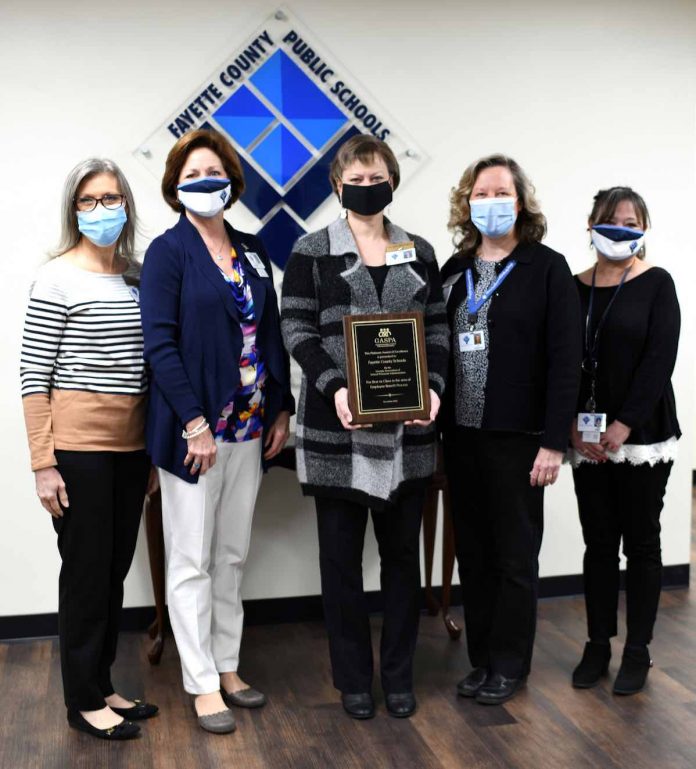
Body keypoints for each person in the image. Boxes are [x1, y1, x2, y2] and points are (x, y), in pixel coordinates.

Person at [281, 135, 449, 720]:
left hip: (409, 438)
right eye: (353, 176)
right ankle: (353, 680)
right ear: (337, 184)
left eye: (374, 174)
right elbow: (297, 332)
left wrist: (433, 387)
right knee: (341, 565)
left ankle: (399, 677)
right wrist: (338, 387)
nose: (364, 183)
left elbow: (437, 332)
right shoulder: (310, 251)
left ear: (392, 180)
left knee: (403, 563)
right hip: (337, 433)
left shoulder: (420, 251)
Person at [139, 128, 293, 734]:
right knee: (190, 558)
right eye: (193, 175)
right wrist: (193, 423)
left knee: (230, 554)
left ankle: (229, 665)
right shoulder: (167, 252)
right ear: (176, 187)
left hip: (250, 430)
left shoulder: (253, 250)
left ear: (231, 181)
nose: (206, 182)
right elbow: (160, 343)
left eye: (215, 173)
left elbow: (271, 335)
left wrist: (279, 408)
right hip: (195, 437)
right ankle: (202, 682)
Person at [20, 159, 158, 740]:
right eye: (87, 201)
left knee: (113, 571)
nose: (100, 210)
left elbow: (152, 366)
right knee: (84, 574)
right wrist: (42, 463)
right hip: (77, 451)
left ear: (127, 203)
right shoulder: (56, 278)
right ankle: (82, 701)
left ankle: (101, 684)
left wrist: (152, 454)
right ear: (72, 210)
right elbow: (33, 376)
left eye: (110, 198)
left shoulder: (140, 274)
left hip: (132, 449)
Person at [440, 154, 581, 705]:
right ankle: (481, 661)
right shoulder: (454, 272)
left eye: (501, 192)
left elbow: (566, 361)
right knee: (472, 554)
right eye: (481, 193)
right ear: (466, 202)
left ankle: (510, 665)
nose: (490, 202)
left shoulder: (547, 268)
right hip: (462, 436)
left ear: (520, 203)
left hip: (520, 439)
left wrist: (553, 442)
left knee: (514, 555)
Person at [568, 187, 680, 695]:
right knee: (597, 546)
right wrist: (570, 425)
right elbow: (561, 362)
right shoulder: (573, 287)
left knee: (641, 543)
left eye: (631, 221)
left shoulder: (657, 284)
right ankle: (597, 645)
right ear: (591, 225)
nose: (620, 228)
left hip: (641, 440)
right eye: (611, 220)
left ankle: (638, 651)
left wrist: (624, 424)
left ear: (644, 229)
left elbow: (660, 360)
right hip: (587, 440)